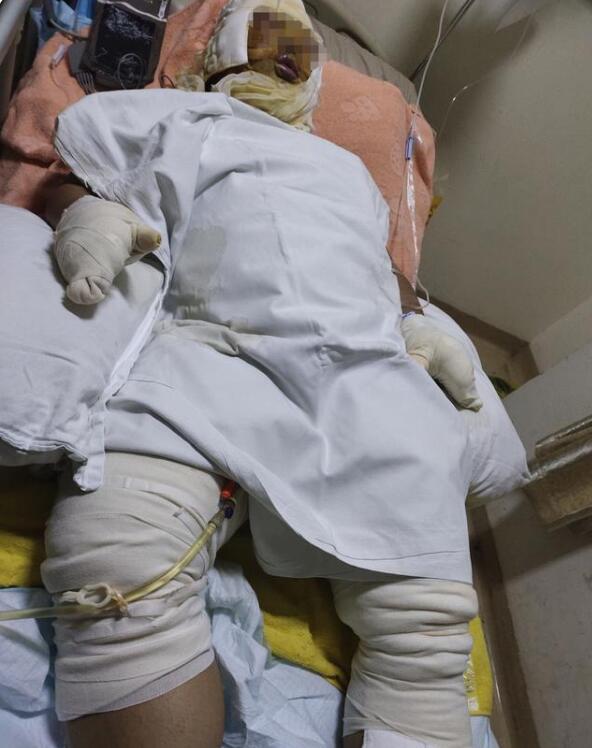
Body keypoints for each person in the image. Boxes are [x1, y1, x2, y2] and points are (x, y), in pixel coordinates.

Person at [3, 2, 483, 747]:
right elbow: (73, 178)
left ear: (314, 83)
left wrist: (417, 320)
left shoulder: (352, 173)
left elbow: (383, 270)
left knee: (426, 632)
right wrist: (90, 219)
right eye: (260, 44)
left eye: (294, 52)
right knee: (115, 567)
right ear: (210, 66)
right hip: (209, 354)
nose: (278, 60)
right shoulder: (169, 116)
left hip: (362, 372)